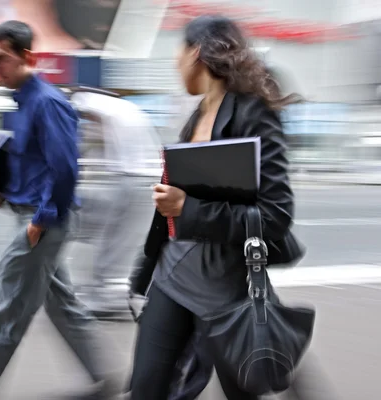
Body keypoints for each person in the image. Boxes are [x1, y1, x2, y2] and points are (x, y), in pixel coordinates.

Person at [127, 15, 330, 400]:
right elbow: (168, 207)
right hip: (173, 276)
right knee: (146, 387)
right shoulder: (196, 117)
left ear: (197, 53)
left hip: (225, 285)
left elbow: (275, 214)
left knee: (244, 388)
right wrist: (143, 272)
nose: (175, 64)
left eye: (178, 53)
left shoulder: (254, 113)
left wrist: (189, 208)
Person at [0, 20, 120, 400]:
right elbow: (34, 166)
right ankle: (105, 380)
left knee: (6, 313)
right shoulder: (21, 103)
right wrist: (0, 190)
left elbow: (65, 171)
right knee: (63, 307)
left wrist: (40, 222)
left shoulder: (48, 102)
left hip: (44, 221)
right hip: (30, 214)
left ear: (28, 57)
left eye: (2, 59)